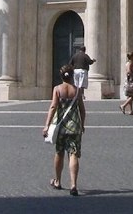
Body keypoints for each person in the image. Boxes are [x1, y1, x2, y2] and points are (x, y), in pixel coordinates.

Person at [43, 64, 86, 196]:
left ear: (61, 76)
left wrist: (46, 125)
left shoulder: (57, 89)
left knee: (59, 153)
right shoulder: (77, 90)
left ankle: (58, 181)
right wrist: (82, 124)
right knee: (73, 154)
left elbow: (53, 107)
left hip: (61, 128)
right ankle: (73, 184)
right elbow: (82, 110)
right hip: (74, 127)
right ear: (72, 76)